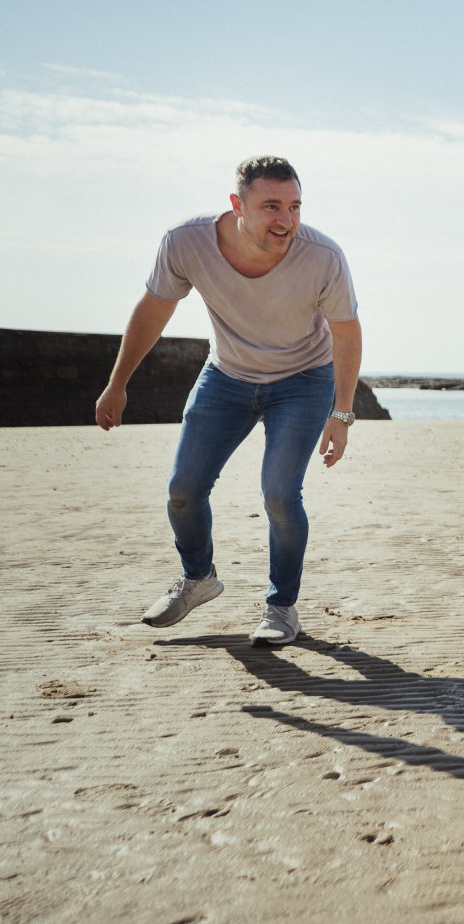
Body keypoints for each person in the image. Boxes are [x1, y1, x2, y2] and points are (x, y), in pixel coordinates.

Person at [95, 156, 362, 646]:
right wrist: (118, 383)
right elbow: (155, 307)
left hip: (303, 380)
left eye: (295, 206)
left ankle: (282, 608)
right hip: (227, 376)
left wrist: (341, 413)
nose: (286, 219)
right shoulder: (186, 242)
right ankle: (199, 576)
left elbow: (346, 333)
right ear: (237, 205)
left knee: (280, 494)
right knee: (183, 489)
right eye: (272, 206)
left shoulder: (323, 256)